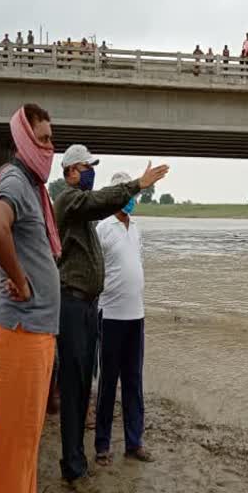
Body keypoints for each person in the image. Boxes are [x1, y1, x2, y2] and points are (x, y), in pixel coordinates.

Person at [54, 145, 168, 483]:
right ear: (72, 170)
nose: (91, 171)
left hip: (102, 309)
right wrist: (136, 183)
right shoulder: (71, 202)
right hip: (88, 309)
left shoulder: (109, 222)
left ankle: (111, 449)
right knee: (85, 386)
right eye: (88, 166)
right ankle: (82, 459)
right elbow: (99, 202)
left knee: (113, 382)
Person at [0, 104, 60, 493]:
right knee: (8, 443)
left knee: (25, 442)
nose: (49, 147)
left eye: (51, 139)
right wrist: (22, 282)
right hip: (21, 333)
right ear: (24, 139)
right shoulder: (13, 179)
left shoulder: (32, 186)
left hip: (35, 332)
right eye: (42, 138)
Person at [94, 172, 155, 466]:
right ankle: (102, 445)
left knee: (134, 381)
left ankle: (134, 442)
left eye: (134, 195)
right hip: (111, 317)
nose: (132, 200)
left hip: (136, 316)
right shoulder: (103, 229)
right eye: (128, 194)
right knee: (108, 382)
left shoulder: (137, 229)